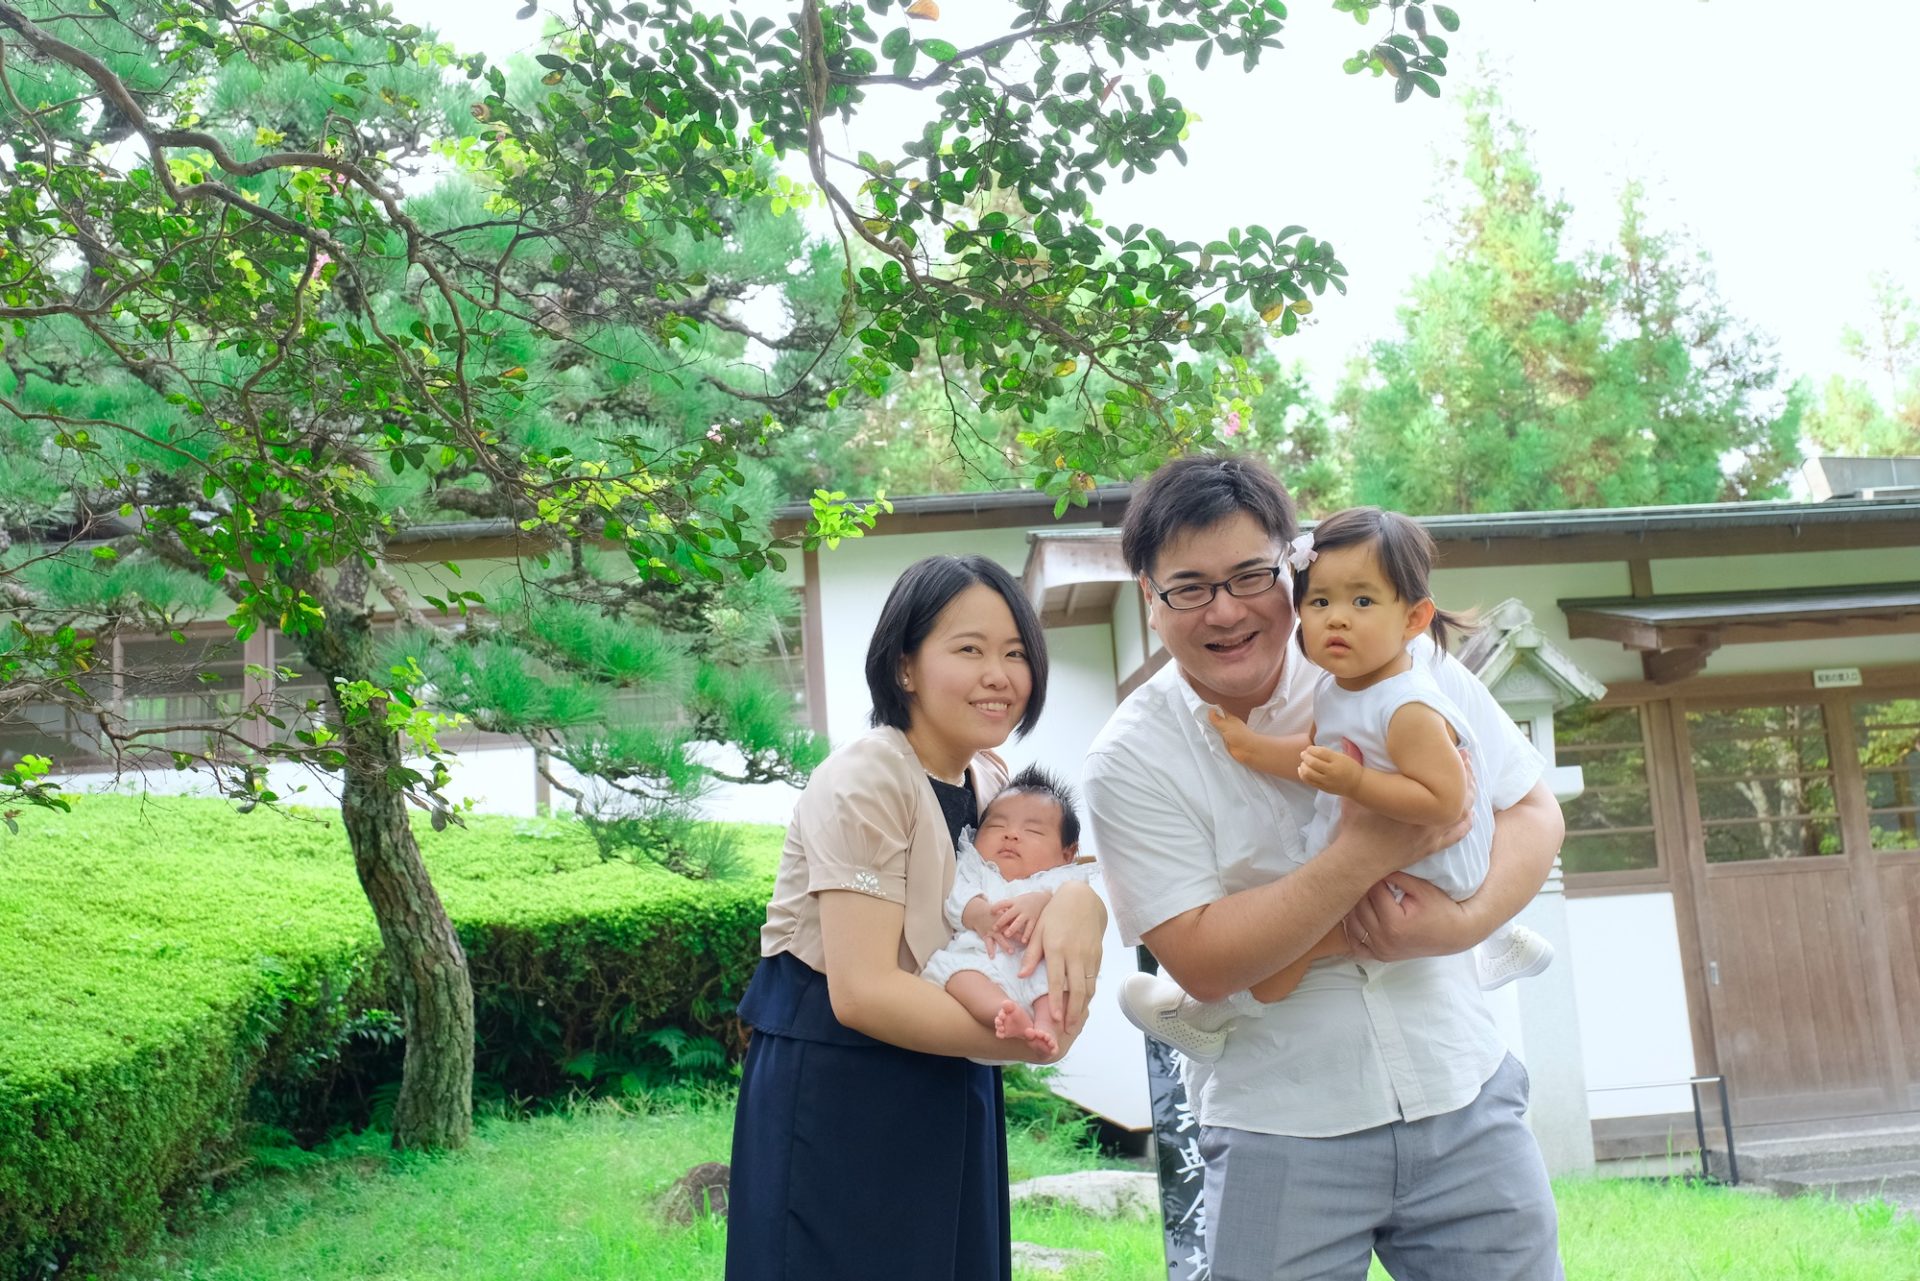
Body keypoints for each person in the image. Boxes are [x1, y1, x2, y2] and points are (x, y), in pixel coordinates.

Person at [1083, 455, 1567, 1281]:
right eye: (1190, 587)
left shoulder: (1396, 653)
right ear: (1148, 598)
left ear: (1293, 559)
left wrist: (1460, 923)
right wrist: (1369, 851)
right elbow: (1199, 955)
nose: (1227, 610)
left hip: (1462, 1086)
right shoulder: (1129, 758)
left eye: (1250, 575)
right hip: (1281, 1121)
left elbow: (1531, 809)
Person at [726, 554, 1108, 1281]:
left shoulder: (989, 777)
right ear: (905, 666)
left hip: (949, 1060)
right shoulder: (868, 777)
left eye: (1015, 652)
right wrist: (1025, 1044)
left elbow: (1065, 874)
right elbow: (863, 989)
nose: (999, 673)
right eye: (969, 649)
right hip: (841, 1079)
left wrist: (1078, 902)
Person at [1119, 506, 1554, 1062]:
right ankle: (1503, 938)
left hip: (1433, 877)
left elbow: (1450, 802)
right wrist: (1253, 748)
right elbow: (1317, 751)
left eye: (1363, 602)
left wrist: (1469, 920)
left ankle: (1499, 935)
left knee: (1282, 967)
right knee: (1309, 925)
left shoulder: (1409, 699)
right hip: (1292, 1105)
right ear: (1149, 597)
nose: (1338, 619)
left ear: (1415, 618)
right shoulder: (1340, 685)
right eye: (1321, 602)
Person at [923, 765, 1097, 1058]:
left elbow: (1071, 910)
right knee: (956, 975)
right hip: (979, 959)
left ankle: (1044, 1028)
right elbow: (955, 895)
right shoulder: (975, 867)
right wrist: (977, 913)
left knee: (1061, 984)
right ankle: (1005, 1012)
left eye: (1033, 831)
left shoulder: (1061, 879)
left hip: (1035, 966)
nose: (1011, 835)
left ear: (1067, 853)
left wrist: (1042, 901)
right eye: (996, 826)